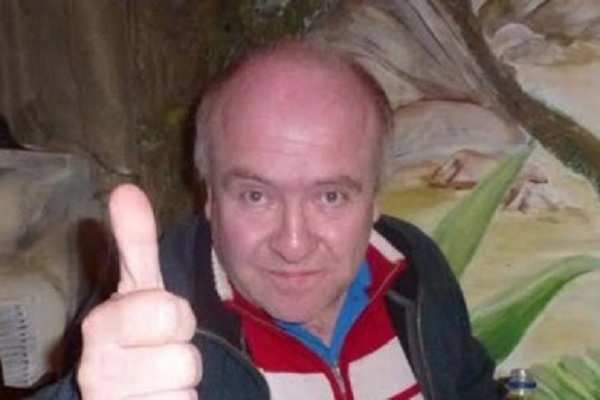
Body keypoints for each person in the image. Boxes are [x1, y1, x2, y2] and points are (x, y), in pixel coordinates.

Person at [34, 39, 500, 399]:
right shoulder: (147, 328)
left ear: (374, 198)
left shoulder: (415, 266)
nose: (293, 245)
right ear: (209, 197)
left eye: (331, 196)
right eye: (256, 196)